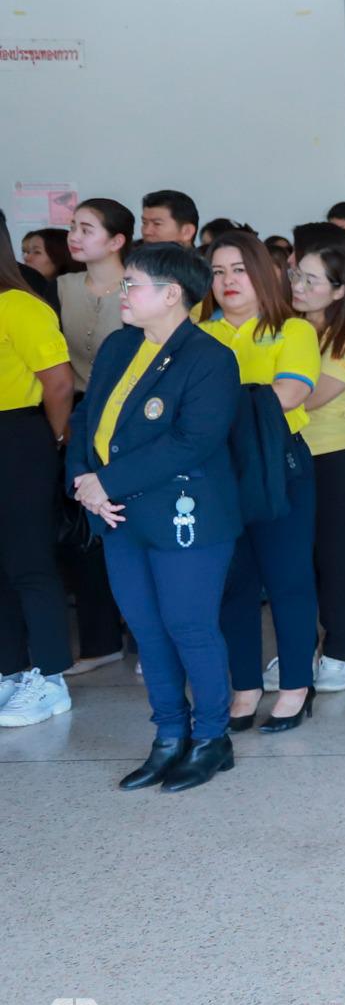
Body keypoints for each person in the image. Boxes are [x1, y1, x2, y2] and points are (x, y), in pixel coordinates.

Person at [69, 243, 243, 788]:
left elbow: (192, 441)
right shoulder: (121, 345)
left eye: (133, 285)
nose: (123, 294)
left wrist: (107, 481)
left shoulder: (209, 358)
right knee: (147, 629)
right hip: (118, 514)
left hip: (183, 514)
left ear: (172, 295)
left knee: (188, 627)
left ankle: (212, 738)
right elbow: (86, 418)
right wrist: (84, 483)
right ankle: (169, 735)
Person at [200, 230, 325, 732]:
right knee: (234, 583)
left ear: (263, 273)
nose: (228, 281)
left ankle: (296, 684)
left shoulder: (291, 329)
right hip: (216, 468)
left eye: (239, 269)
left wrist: (210, 410)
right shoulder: (197, 332)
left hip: (277, 463)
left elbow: (290, 393)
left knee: (287, 578)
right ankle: (245, 686)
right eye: (217, 271)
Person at [287, 234, 345, 698]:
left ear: (339, 290)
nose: (298, 285)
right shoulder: (282, 328)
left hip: (331, 457)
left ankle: (339, 654)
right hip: (282, 455)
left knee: (335, 559)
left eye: (311, 279)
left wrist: (262, 400)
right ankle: (298, 650)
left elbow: (308, 396)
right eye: (296, 275)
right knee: (291, 562)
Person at [0, 217, 76, 730]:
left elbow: (58, 383)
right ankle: (9, 669)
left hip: (18, 436)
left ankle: (50, 678)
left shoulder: (19, 304)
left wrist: (53, 441)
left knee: (28, 559)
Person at [56, 198, 136, 672]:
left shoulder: (140, 285)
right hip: (75, 410)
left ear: (116, 241)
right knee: (81, 531)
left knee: (130, 522)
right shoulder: (61, 286)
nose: (74, 235)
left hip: (128, 416)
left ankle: (146, 637)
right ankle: (100, 639)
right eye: (72, 227)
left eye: (87, 228)